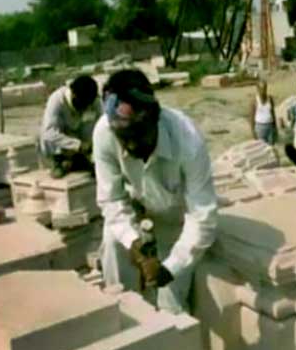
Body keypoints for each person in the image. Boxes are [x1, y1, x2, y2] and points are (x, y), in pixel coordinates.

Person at [93, 69, 218, 314]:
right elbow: (112, 200)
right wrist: (134, 243)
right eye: (123, 137)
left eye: (137, 135)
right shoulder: (104, 134)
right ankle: (124, 318)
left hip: (178, 224)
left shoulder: (187, 139)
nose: (130, 145)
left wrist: (169, 268)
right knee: (112, 244)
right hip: (139, 217)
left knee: (170, 305)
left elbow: (202, 217)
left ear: (155, 118)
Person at [39, 75, 101, 178]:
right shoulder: (57, 100)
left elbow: (104, 121)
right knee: (47, 135)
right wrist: (78, 145)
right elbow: (49, 132)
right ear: (73, 95)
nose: (86, 108)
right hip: (63, 143)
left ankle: (82, 161)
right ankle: (59, 162)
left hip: (84, 141)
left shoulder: (94, 101)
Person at [249, 80, 283, 145]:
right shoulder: (254, 100)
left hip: (270, 126)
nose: (263, 91)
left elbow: (273, 113)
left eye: (265, 89)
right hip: (260, 127)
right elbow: (251, 117)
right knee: (261, 146)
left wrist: (275, 127)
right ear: (258, 89)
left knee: (271, 147)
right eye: (261, 89)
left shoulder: (270, 98)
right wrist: (253, 132)